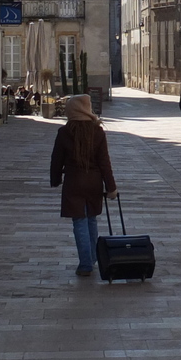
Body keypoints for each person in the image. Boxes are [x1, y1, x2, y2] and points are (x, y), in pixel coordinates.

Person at [49, 94, 117, 276]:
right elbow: (105, 162)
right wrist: (111, 187)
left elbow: (56, 160)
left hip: (73, 182)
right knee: (91, 218)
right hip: (94, 182)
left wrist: (55, 179)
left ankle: (85, 264)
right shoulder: (97, 132)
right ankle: (94, 258)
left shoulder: (64, 132)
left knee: (79, 221)